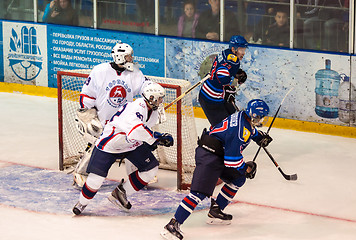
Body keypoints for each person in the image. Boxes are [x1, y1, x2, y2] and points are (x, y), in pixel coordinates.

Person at [161, 99, 273, 240]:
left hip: (218, 153)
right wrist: (246, 168)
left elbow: (250, 130)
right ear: (253, 116)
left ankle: (216, 210)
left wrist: (259, 136)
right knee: (198, 194)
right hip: (209, 155)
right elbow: (232, 160)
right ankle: (172, 225)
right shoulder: (239, 131)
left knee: (238, 178)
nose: (263, 120)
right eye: (261, 117)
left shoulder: (242, 116)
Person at [72, 82, 174, 215]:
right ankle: (82, 203)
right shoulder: (137, 107)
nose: (161, 101)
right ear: (151, 98)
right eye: (159, 98)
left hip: (130, 144)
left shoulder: (152, 111)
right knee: (96, 179)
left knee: (150, 169)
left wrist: (154, 140)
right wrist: (156, 138)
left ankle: (121, 193)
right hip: (111, 143)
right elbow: (136, 129)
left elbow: (144, 129)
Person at [72, 41, 155, 189]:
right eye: (129, 57)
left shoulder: (134, 72)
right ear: (120, 57)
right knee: (97, 147)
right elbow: (87, 95)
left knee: (134, 143)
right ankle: (81, 174)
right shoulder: (99, 71)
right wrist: (89, 115)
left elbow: (145, 85)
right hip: (103, 121)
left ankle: (139, 174)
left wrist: (153, 91)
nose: (131, 59)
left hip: (125, 122)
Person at [198, 35, 248, 126]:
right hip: (210, 99)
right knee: (223, 128)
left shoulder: (225, 53)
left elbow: (222, 68)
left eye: (244, 50)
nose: (243, 53)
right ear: (234, 49)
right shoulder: (234, 61)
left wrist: (235, 75)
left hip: (212, 94)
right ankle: (209, 139)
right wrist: (227, 85)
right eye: (241, 50)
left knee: (233, 116)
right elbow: (221, 72)